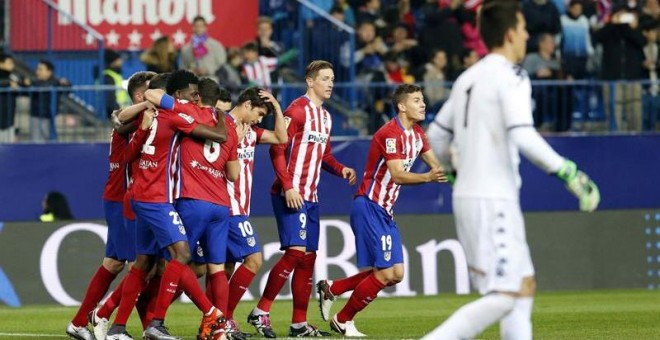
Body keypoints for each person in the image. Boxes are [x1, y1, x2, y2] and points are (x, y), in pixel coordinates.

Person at [423, 1, 600, 339]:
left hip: (474, 197)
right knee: (504, 296)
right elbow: (522, 133)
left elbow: (435, 136)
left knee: (524, 286)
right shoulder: (512, 75)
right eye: (522, 28)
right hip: (493, 200)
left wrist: (454, 172)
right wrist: (569, 173)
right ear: (509, 34)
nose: (527, 35)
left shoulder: (467, 78)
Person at [103, 70, 228, 340]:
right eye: (192, 93)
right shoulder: (175, 116)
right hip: (157, 198)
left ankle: (116, 328)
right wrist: (220, 117)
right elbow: (219, 137)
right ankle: (158, 323)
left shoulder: (148, 115)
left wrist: (144, 108)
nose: (196, 98)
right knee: (181, 254)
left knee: (143, 262)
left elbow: (119, 121)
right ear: (177, 95)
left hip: (139, 194)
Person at [316, 84, 446, 337]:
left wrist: (453, 169)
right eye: (417, 100)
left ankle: (333, 287)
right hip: (369, 205)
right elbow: (397, 175)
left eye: (423, 100)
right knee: (385, 272)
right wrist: (428, 177)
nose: (423, 105)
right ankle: (342, 320)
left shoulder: (418, 134)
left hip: (384, 211)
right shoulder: (389, 133)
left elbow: (438, 167)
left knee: (396, 274)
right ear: (401, 106)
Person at [246, 60, 357, 338]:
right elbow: (276, 149)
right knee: (295, 253)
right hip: (290, 193)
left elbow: (325, 155)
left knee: (308, 259)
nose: (330, 83)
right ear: (310, 81)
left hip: (311, 196)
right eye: (325, 78)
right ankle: (261, 311)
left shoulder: (326, 117)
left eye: (332, 78)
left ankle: (298, 324)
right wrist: (288, 185)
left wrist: (340, 168)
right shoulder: (296, 111)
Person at [146, 77, 243, 339]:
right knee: (217, 268)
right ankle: (217, 328)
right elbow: (234, 174)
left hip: (192, 200)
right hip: (221, 205)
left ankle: (156, 321)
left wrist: (177, 102)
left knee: (177, 258)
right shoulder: (230, 127)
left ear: (198, 96)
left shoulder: (188, 109)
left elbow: (153, 95)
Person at [66, 71, 156, 340]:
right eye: (153, 91)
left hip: (118, 197)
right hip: (122, 199)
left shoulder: (134, 117)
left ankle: (80, 322)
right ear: (141, 96)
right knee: (141, 266)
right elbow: (120, 130)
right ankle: (120, 322)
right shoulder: (131, 119)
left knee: (114, 264)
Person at [220, 87, 287, 334]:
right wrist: (233, 141)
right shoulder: (223, 125)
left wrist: (278, 109)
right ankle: (223, 318)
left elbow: (281, 138)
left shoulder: (251, 132)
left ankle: (218, 321)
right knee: (254, 259)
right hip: (227, 207)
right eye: (259, 113)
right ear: (246, 104)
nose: (260, 119)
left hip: (240, 208)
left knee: (222, 269)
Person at [29, 60, 71, 142]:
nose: (37, 72)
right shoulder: (34, 83)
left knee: (51, 143)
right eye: (37, 69)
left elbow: (67, 90)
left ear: (49, 72)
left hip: (50, 117)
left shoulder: (56, 83)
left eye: (40, 69)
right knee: (35, 143)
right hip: (35, 116)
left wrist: (66, 83)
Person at [181, 16, 227, 82]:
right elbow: (184, 66)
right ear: (192, 28)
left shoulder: (215, 45)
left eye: (200, 26)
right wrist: (191, 71)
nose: (198, 29)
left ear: (205, 28)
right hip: (193, 81)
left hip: (212, 79)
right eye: (196, 26)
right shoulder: (186, 49)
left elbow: (222, 63)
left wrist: (208, 69)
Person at [103, 50, 130, 118]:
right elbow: (110, 98)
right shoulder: (108, 76)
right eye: (118, 59)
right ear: (113, 62)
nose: (121, 61)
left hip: (121, 111)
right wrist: (117, 112)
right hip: (116, 113)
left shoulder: (115, 74)